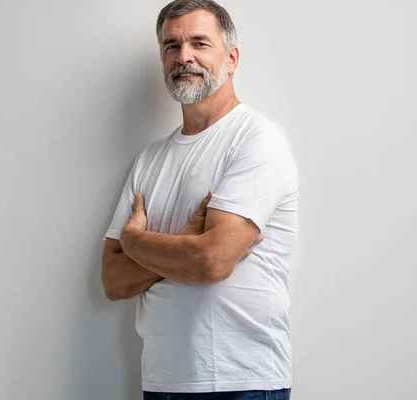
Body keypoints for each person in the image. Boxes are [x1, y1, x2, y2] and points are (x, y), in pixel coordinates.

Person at [101, 1, 298, 399]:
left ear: (231, 57)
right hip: (163, 381)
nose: (183, 56)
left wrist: (137, 243)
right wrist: (187, 241)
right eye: (171, 46)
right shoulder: (149, 160)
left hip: (242, 381)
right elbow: (113, 279)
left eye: (199, 43)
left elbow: (212, 261)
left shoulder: (257, 139)